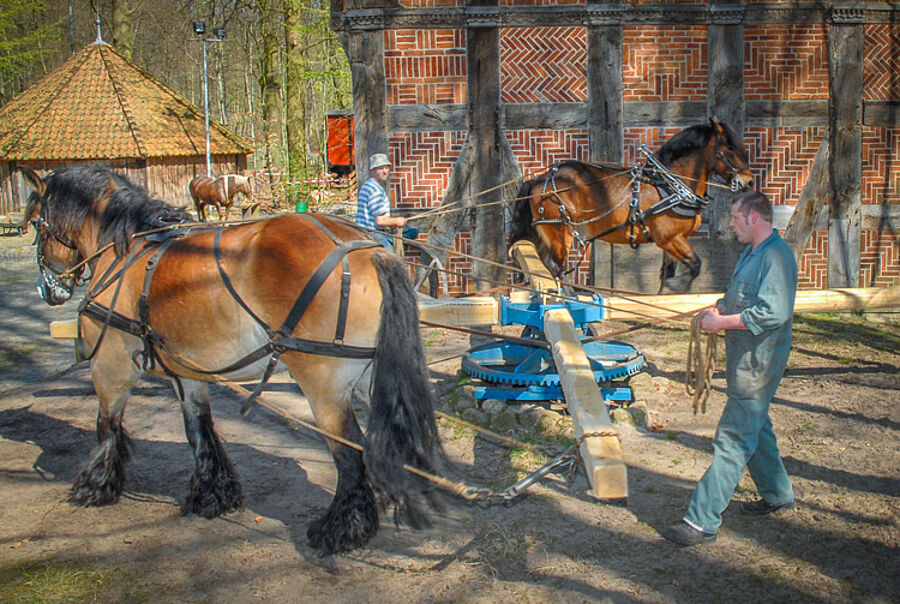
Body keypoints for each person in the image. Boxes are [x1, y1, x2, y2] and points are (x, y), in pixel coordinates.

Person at [664, 190, 798, 546]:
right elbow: (742, 298)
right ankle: (778, 494)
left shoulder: (777, 258)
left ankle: (702, 520)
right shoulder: (752, 254)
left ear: (754, 218)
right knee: (757, 427)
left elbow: (773, 312)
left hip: (760, 362)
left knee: (733, 438)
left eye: (735, 218)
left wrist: (722, 324)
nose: (731, 224)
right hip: (746, 361)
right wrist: (719, 310)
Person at [356, 153, 409, 249]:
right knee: (392, 262)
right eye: (381, 168)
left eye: (386, 168)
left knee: (411, 232)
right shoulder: (374, 189)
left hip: (365, 232)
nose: (385, 172)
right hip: (372, 234)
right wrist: (397, 221)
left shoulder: (368, 185)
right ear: (373, 170)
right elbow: (380, 220)